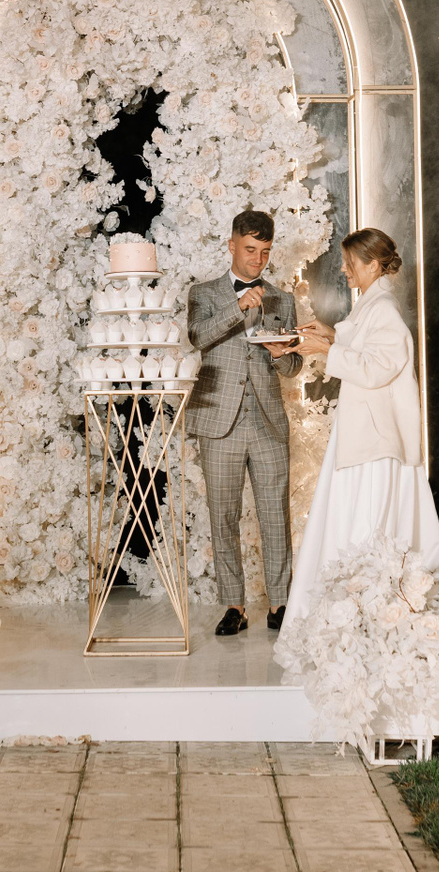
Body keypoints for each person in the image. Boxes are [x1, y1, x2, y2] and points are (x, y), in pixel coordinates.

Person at [281, 227, 439, 628]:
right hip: (364, 432)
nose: (344, 269)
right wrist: (330, 334)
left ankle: (361, 616)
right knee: (357, 517)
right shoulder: (373, 305)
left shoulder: (384, 309)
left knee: (367, 522)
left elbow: (376, 368)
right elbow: (367, 347)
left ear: (372, 265)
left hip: (375, 438)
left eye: (350, 263)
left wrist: (327, 349)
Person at [186, 209, 303, 636]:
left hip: (268, 422)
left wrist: (282, 356)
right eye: (251, 250)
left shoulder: (282, 299)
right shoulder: (204, 293)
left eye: (265, 252)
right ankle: (234, 606)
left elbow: (293, 366)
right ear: (232, 245)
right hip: (220, 421)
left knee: (275, 515)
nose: (258, 260)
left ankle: (280, 603)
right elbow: (197, 337)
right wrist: (238, 307)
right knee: (223, 516)